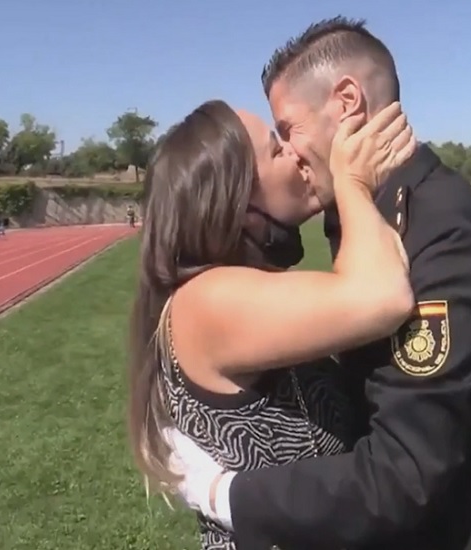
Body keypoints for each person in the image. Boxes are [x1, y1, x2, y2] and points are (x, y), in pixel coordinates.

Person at [166, 17, 471, 550]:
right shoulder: (370, 220)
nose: (291, 154)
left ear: (346, 102)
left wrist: (226, 496)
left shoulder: (441, 235)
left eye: (287, 130)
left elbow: (402, 476)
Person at [127, 98, 417, 550]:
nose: (296, 153)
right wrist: (352, 182)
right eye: (277, 149)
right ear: (239, 206)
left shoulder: (244, 288)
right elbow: (383, 296)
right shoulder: (207, 301)